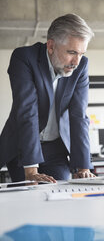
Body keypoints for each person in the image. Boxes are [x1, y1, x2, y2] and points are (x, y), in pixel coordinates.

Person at [0, 13, 96, 183]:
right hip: (23, 145)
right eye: (72, 52)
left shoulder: (81, 66)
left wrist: (83, 168)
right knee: (30, 195)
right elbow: (27, 111)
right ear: (51, 46)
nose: (76, 61)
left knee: (59, 195)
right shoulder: (24, 58)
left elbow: (78, 116)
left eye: (81, 53)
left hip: (55, 148)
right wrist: (31, 170)